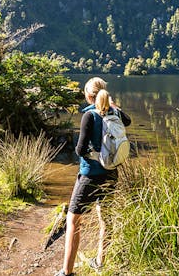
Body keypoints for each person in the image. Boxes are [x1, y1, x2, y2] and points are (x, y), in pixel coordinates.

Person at [55, 77, 131, 276]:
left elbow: (79, 150)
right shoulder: (115, 113)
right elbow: (128, 121)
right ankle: (100, 260)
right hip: (111, 174)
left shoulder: (89, 116)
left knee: (73, 219)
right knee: (106, 219)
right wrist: (112, 104)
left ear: (88, 96)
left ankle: (67, 271)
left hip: (89, 176)